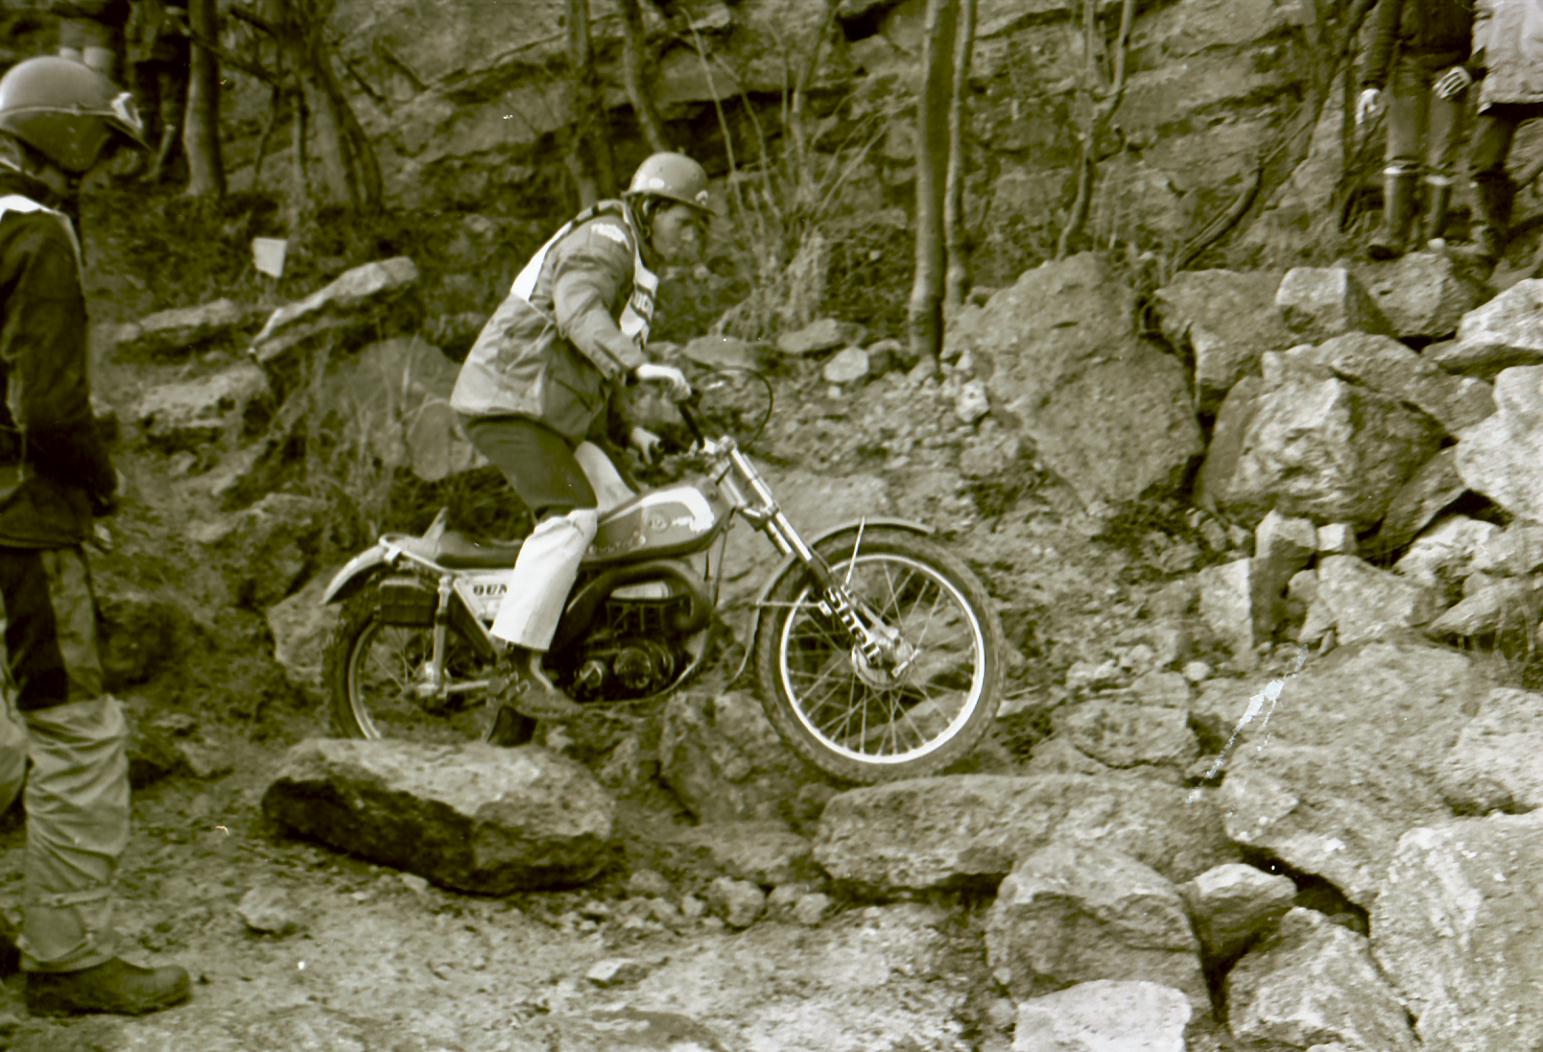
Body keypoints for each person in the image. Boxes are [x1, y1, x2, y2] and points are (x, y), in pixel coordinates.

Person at [0, 55, 191, 1016]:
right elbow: (50, 410)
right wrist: (100, 489)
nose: (106, 169)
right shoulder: (36, 232)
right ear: (67, 136)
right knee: (75, 731)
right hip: (19, 520)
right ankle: (69, 958)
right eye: (104, 148)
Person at [450, 152, 709, 729]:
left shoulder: (637, 264)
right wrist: (638, 366)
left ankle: (569, 661)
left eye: (697, 226)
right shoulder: (606, 240)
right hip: (509, 398)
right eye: (683, 220)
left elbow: (592, 362)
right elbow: (579, 314)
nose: (690, 236)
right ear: (651, 208)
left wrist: (628, 430)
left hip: (547, 410)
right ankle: (514, 663)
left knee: (621, 513)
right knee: (571, 515)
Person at [1355, 0, 1476, 259]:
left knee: (1441, 157)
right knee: (1401, 152)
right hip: (1409, 66)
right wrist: (1371, 83)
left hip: (1453, 68)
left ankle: (1431, 237)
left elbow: (1491, 24)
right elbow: (1383, 29)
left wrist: (1471, 69)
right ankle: (1393, 235)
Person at [1447, 0, 1543, 266]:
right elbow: (1483, 18)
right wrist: (1477, 64)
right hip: (1501, 83)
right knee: (1483, 162)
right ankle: (1486, 245)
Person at [126, 0, 190, 183]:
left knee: (171, 107)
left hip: (169, 38)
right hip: (139, 35)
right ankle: (141, 160)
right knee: (142, 105)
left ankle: (164, 164)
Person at [51, 0, 133, 82]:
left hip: (100, 35)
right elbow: (53, 5)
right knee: (69, 81)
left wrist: (75, 5)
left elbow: (102, 7)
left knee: (96, 81)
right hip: (70, 37)